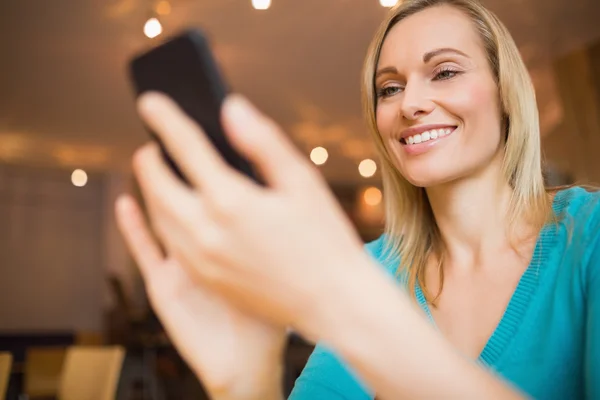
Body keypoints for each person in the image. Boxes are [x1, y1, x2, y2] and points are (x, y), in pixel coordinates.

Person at [115, 0, 600, 398]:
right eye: (390, 87)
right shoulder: (372, 271)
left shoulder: (590, 237)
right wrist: (244, 381)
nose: (410, 104)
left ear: (506, 93)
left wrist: (344, 301)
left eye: (445, 71)